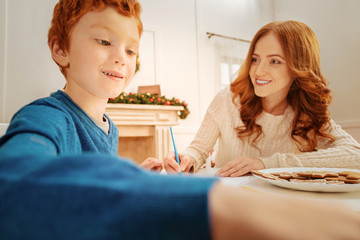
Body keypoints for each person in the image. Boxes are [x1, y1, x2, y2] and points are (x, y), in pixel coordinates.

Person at [0, 1, 360, 239]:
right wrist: (212, 202)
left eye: (130, 50)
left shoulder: (106, 125)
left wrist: (137, 175)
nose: (122, 58)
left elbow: (85, 180)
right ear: (60, 48)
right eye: (103, 41)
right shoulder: (46, 116)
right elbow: (13, 179)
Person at [164, 20, 360, 177]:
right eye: (255, 59)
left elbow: (355, 155)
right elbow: (198, 149)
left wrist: (268, 164)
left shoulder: (306, 113)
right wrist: (186, 159)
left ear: (298, 67)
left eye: (274, 61)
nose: (259, 71)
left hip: (283, 206)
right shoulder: (228, 99)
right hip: (230, 203)